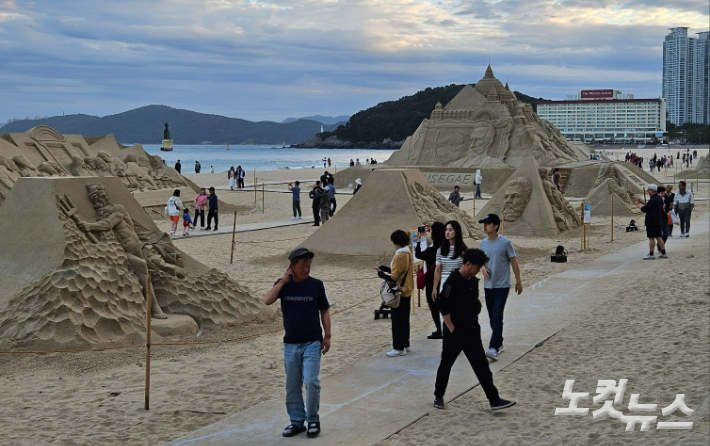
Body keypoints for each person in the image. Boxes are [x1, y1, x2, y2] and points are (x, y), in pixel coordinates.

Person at [433, 248, 516, 411]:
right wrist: (451, 329)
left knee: (482, 366)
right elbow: (444, 307)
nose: (479, 270)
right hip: (455, 332)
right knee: (446, 363)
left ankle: (494, 400)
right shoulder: (452, 282)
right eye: (477, 267)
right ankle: (438, 396)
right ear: (468, 264)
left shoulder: (472, 281)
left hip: (471, 330)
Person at [262, 247, 331, 438]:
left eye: (309, 265)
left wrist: (328, 336)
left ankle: (313, 420)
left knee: (311, 381)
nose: (307, 269)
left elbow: (324, 310)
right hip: (291, 344)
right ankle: (296, 422)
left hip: (312, 342)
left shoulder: (316, 285)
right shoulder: (283, 285)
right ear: (292, 266)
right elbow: (267, 301)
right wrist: (283, 280)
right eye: (302, 265)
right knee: (292, 385)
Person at [478, 213, 522, 361]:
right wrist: (482, 268)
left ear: (495, 226)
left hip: (502, 285)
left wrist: (518, 281)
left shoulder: (505, 243)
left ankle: (493, 348)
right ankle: (500, 342)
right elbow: (480, 261)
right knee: (492, 318)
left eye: (488, 223)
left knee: (497, 315)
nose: (485, 226)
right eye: (484, 223)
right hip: (488, 286)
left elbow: (514, 262)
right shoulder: (482, 243)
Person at [376, 230, 414, 357]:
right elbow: (399, 271)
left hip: (399, 292)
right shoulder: (408, 253)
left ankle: (399, 347)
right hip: (407, 289)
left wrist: (381, 274)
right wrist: (386, 269)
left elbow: (394, 277)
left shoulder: (400, 256)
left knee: (397, 321)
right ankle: (406, 344)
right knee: (405, 320)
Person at [415, 222, 446, 339]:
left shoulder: (432, 250)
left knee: (433, 305)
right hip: (444, 279)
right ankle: (445, 328)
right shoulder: (445, 246)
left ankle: (439, 329)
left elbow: (418, 254)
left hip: (432, 280)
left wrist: (419, 240)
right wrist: (427, 231)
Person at [432, 221, 468, 302]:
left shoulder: (463, 250)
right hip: (444, 281)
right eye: (446, 230)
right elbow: (437, 270)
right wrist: (434, 288)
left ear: (457, 232)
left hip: (458, 282)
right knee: (444, 311)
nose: (447, 232)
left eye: (450, 230)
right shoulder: (440, 250)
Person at [636, 184, 667, 259]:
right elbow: (650, 206)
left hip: (651, 221)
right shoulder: (659, 198)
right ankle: (663, 253)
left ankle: (651, 254)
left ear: (651, 190)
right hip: (657, 221)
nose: (648, 191)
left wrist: (638, 205)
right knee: (658, 237)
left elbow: (644, 209)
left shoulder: (653, 199)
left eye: (648, 190)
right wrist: (642, 202)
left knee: (651, 238)